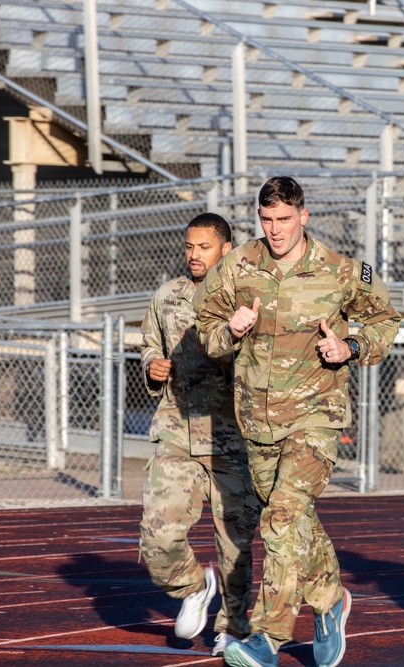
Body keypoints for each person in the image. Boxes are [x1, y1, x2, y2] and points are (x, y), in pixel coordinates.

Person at [194, 176, 401, 667]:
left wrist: (348, 347)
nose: (275, 229)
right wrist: (230, 328)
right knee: (296, 523)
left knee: (282, 517)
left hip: (316, 417)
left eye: (284, 220)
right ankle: (332, 603)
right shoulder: (237, 266)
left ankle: (267, 638)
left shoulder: (345, 270)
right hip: (257, 422)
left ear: (303, 217)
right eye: (266, 220)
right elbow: (206, 328)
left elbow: (385, 320)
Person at [139, 213, 260, 656]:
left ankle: (234, 627)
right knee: (158, 536)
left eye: (203, 247)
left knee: (236, 543)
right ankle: (193, 587)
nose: (193, 254)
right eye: (189, 246)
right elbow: (149, 341)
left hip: (232, 435)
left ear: (224, 249)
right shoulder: (167, 296)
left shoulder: (246, 296)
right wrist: (153, 364)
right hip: (175, 430)